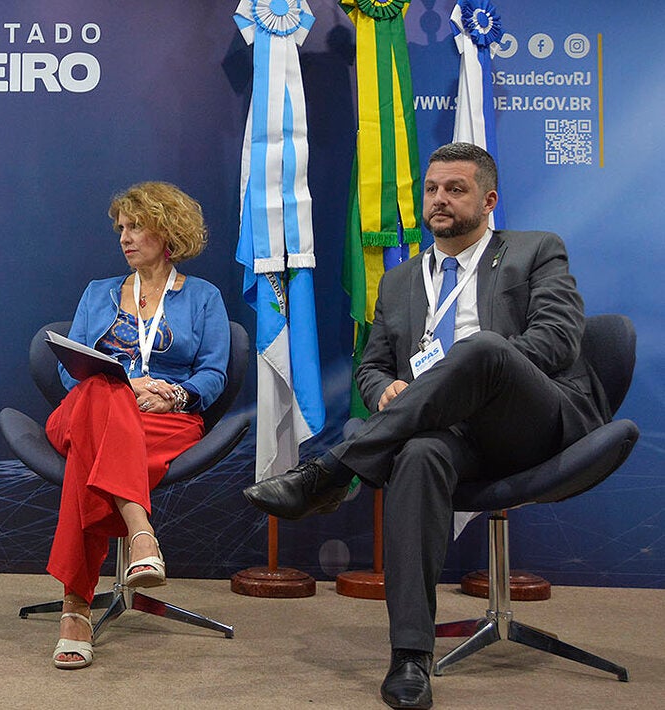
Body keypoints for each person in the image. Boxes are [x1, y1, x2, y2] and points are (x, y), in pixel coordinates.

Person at [243, 142, 611, 709]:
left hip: (533, 421)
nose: (440, 199)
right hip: (452, 437)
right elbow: (372, 367)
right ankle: (410, 657)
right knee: (418, 456)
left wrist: (460, 373)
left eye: (456, 189)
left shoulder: (535, 251)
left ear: (488, 200)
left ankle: (334, 469)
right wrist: (387, 390)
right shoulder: (401, 280)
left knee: (481, 349)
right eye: (432, 189)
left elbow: (557, 343)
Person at [44, 181, 230, 670]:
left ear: (167, 231)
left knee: (88, 460)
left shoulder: (204, 297)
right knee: (102, 392)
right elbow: (71, 368)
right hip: (89, 409)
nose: (125, 237)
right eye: (121, 228)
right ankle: (140, 531)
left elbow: (213, 372)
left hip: (164, 420)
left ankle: (75, 611)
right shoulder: (98, 292)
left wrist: (175, 393)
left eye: (136, 226)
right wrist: (125, 387)